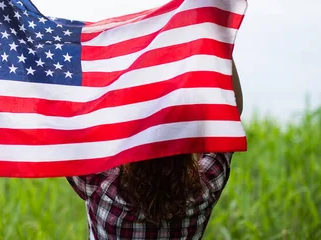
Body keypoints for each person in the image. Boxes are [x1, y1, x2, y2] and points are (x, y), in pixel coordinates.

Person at [66, 59, 244, 240]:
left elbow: (65, 130)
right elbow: (232, 113)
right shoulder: (204, 189)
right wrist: (219, 40)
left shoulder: (102, 186)